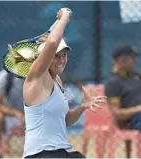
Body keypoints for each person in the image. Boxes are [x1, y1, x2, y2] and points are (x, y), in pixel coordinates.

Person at [23, 8, 106, 158]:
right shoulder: (37, 77)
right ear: (43, 57)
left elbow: (65, 120)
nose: (61, 60)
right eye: (56, 56)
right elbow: (53, 41)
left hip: (60, 152)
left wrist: (81, 108)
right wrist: (65, 16)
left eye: (64, 55)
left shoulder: (57, 80)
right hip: (40, 154)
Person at [105, 45, 141, 157]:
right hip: (133, 120)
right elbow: (117, 114)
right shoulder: (113, 83)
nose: (134, 61)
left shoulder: (138, 76)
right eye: (130, 58)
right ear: (119, 61)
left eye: (133, 58)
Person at [0, 69, 25, 158]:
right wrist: (16, 113)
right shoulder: (5, 76)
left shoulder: (41, 76)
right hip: (9, 117)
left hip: (33, 117)